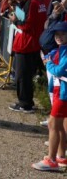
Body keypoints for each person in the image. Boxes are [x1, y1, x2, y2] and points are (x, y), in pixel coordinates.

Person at [32, 21, 67, 171]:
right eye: (56, 34)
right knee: (61, 126)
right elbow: (44, 40)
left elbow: (59, 71)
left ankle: (51, 160)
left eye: (63, 34)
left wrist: (48, 64)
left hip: (64, 93)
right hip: (61, 91)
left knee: (53, 124)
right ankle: (61, 156)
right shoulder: (61, 48)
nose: (58, 37)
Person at [8, 0, 47, 113]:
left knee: (22, 76)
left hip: (27, 44)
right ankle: (26, 101)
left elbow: (26, 23)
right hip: (32, 43)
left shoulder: (33, 3)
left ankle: (25, 104)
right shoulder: (37, 1)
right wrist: (16, 7)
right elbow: (27, 16)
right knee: (25, 76)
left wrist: (15, 20)